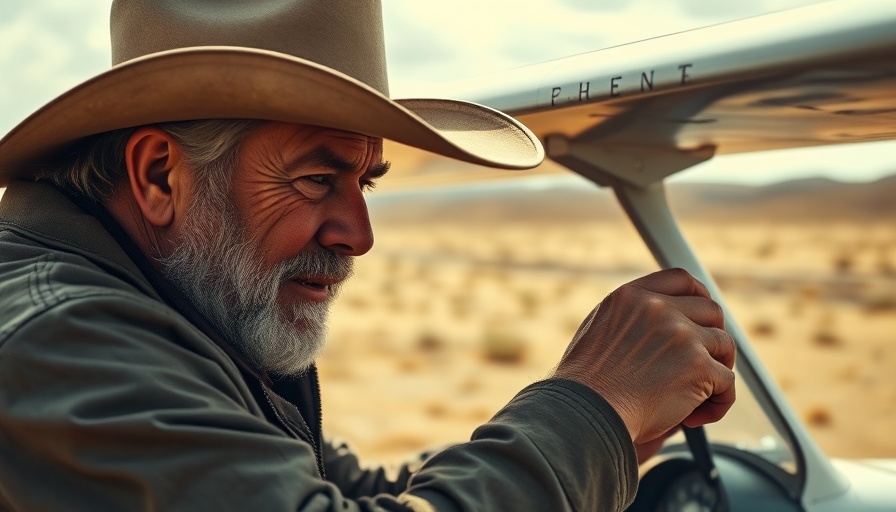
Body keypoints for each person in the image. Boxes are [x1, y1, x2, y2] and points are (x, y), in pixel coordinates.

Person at [0, 1, 736, 511]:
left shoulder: (172, 307)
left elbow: (344, 494)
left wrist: (608, 438)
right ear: (161, 175)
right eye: (317, 179)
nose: (358, 232)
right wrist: (589, 406)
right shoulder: (59, 337)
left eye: (365, 182)